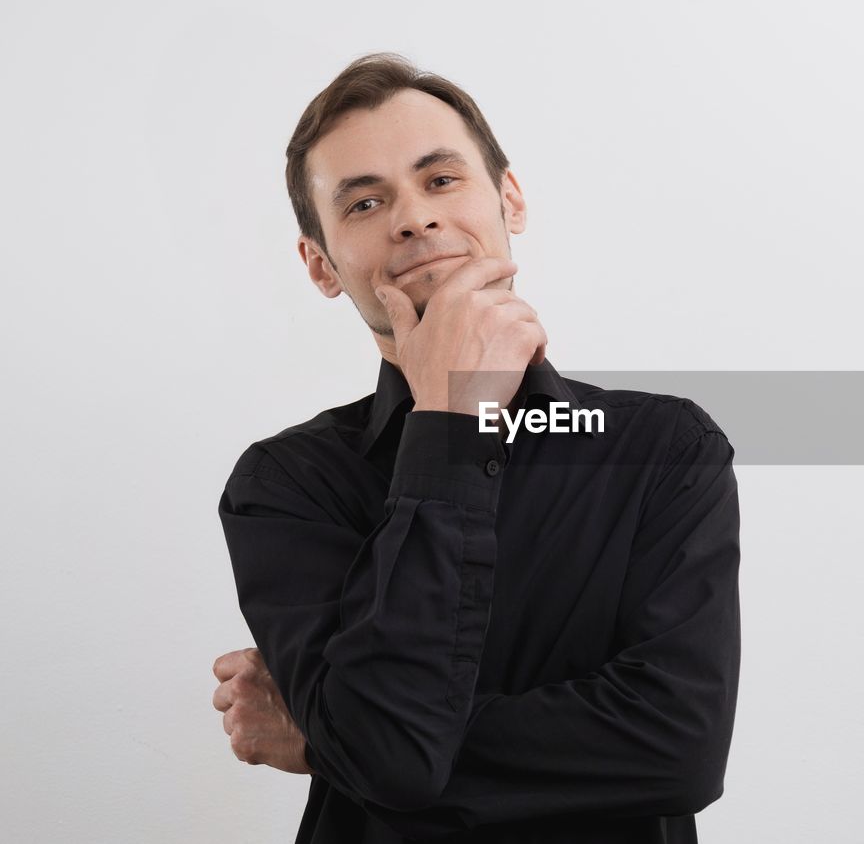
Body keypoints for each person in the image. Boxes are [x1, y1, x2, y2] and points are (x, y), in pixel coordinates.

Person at [210, 53, 741, 843]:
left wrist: (332, 739)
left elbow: (679, 748)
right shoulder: (285, 483)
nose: (414, 217)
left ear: (510, 198)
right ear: (320, 265)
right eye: (363, 202)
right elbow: (389, 754)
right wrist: (450, 426)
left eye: (441, 179)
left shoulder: (662, 446)